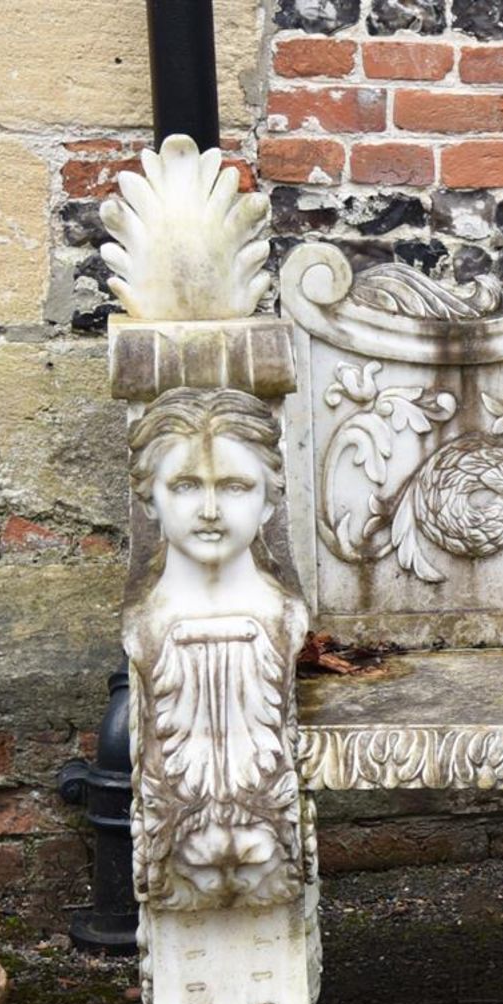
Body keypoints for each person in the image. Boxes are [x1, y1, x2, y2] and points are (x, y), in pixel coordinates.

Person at [124, 389, 306, 910]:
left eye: (234, 486)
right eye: (185, 485)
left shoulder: (280, 618)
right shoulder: (150, 625)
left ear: (270, 499)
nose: (209, 511)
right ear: (150, 500)